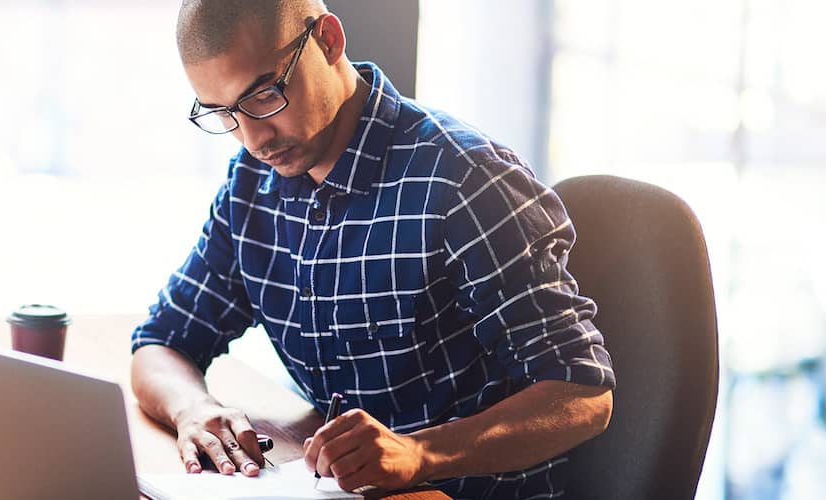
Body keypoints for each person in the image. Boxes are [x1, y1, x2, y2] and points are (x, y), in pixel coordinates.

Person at [130, 1, 616, 497]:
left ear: (328, 40)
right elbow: (160, 341)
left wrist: (421, 453)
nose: (253, 137)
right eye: (223, 113)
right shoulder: (253, 186)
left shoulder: (463, 181)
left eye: (264, 95)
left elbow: (583, 393)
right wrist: (193, 408)